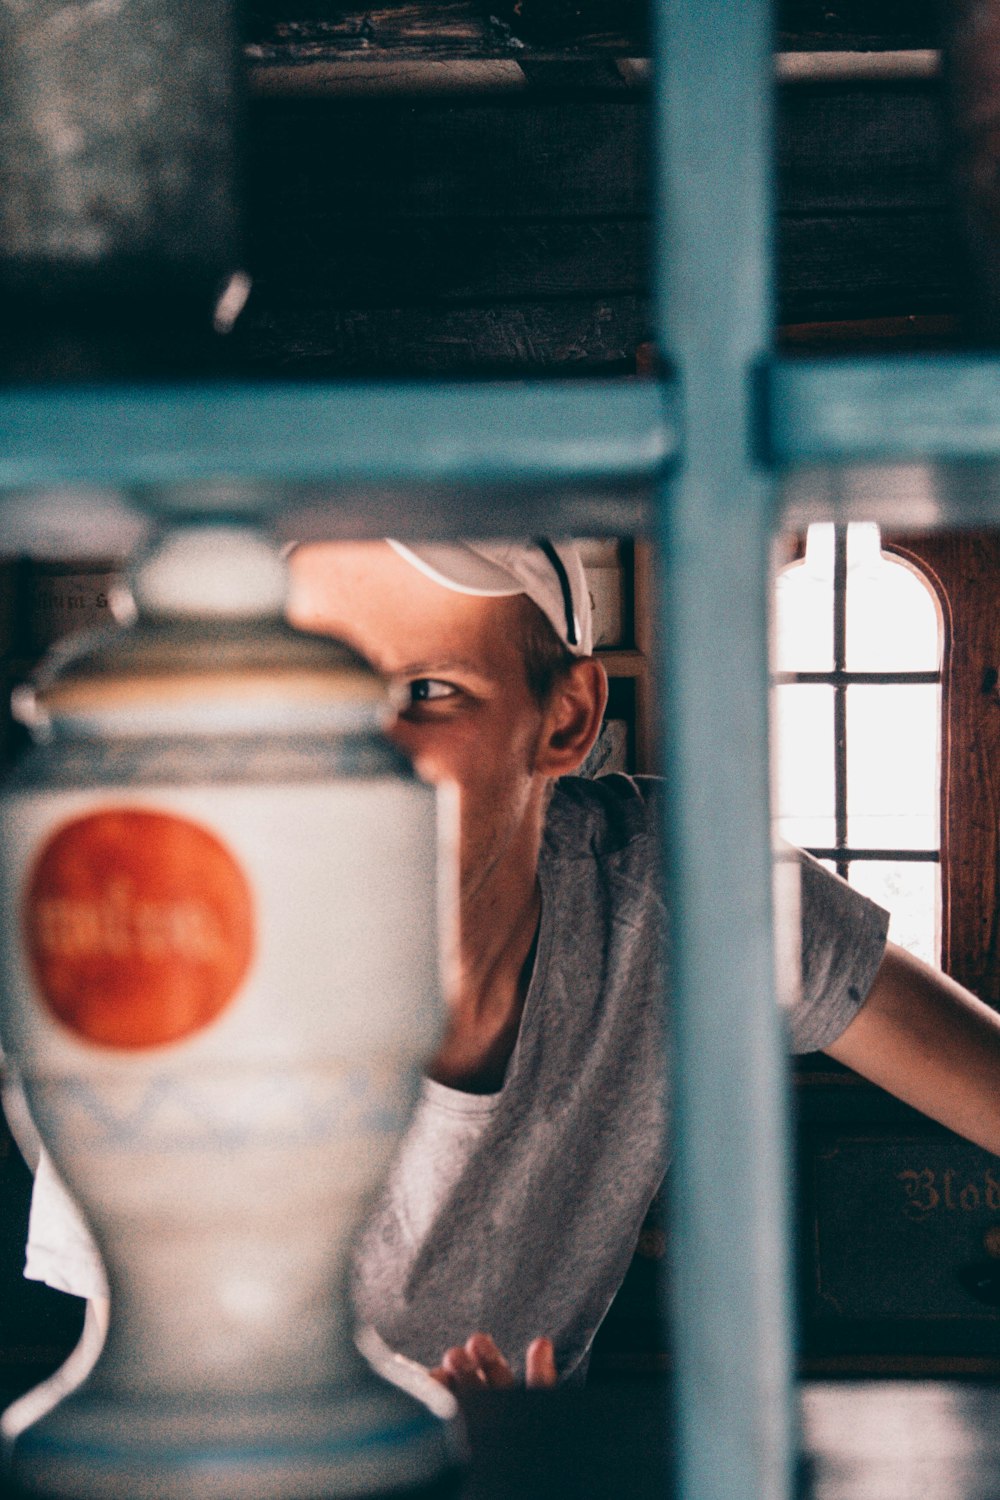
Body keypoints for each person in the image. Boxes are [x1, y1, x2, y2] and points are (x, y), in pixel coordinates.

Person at [17, 538, 1000, 1396]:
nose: (361, 760)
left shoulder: (681, 890)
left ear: (566, 721)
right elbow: (146, 1407)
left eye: (428, 694)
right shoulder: (168, 965)